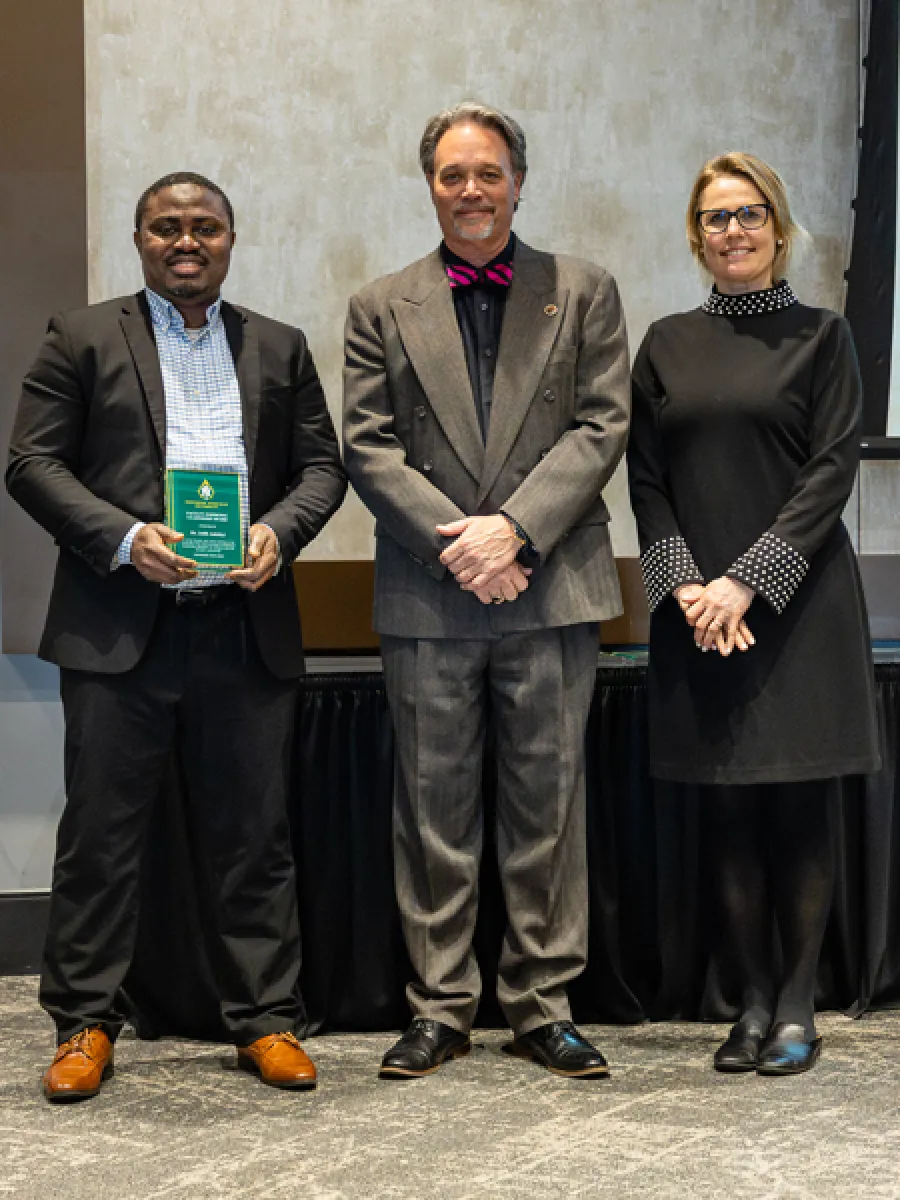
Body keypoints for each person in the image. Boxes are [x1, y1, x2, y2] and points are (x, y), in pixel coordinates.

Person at [6, 171, 346, 1101]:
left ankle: (265, 1019)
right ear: (140, 240)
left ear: (230, 239)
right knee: (101, 836)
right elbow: (31, 463)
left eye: (204, 227)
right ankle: (83, 1022)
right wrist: (124, 539)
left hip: (243, 624)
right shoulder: (80, 336)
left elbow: (322, 467)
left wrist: (277, 532)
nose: (185, 242)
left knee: (255, 834)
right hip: (121, 628)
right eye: (166, 227)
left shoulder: (280, 345)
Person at [343, 103, 630, 1080]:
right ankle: (440, 1006)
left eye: (489, 172)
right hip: (431, 593)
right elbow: (367, 446)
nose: (472, 190)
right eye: (453, 174)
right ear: (430, 185)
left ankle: (544, 1005)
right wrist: (466, 549)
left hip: (551, 585)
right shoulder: (380, 305)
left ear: (519, 181)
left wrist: (516, 532)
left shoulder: (583, 291)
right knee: (434, 810)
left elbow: (601, 426)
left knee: (548, 807)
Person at [627, 152, 880, 1075]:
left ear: (778, 227)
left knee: (799, 808)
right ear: (696, 236)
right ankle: (750, 1003)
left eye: (748, 214)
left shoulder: (824, 336)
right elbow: (645, 480)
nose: (732, 231)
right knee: (727, 810)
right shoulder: (664, 342)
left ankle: (799, 1004)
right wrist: (687, 587)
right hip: (698, 611)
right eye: (715, 217)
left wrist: (746, 582)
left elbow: (831, 471)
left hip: (799, 607)